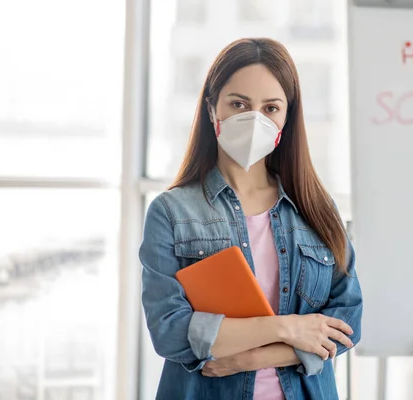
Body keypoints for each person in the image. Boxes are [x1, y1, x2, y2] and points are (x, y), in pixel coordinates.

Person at [139, 37, 363, 400]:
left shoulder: (318, 210)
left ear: (286, 118)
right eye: (239, 104)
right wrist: (289, 328)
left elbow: (347, 321)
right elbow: (171, 331)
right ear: (213, 109)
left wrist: (245, 359)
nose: (255, 119)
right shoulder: (171, 213)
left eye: (271, 108)